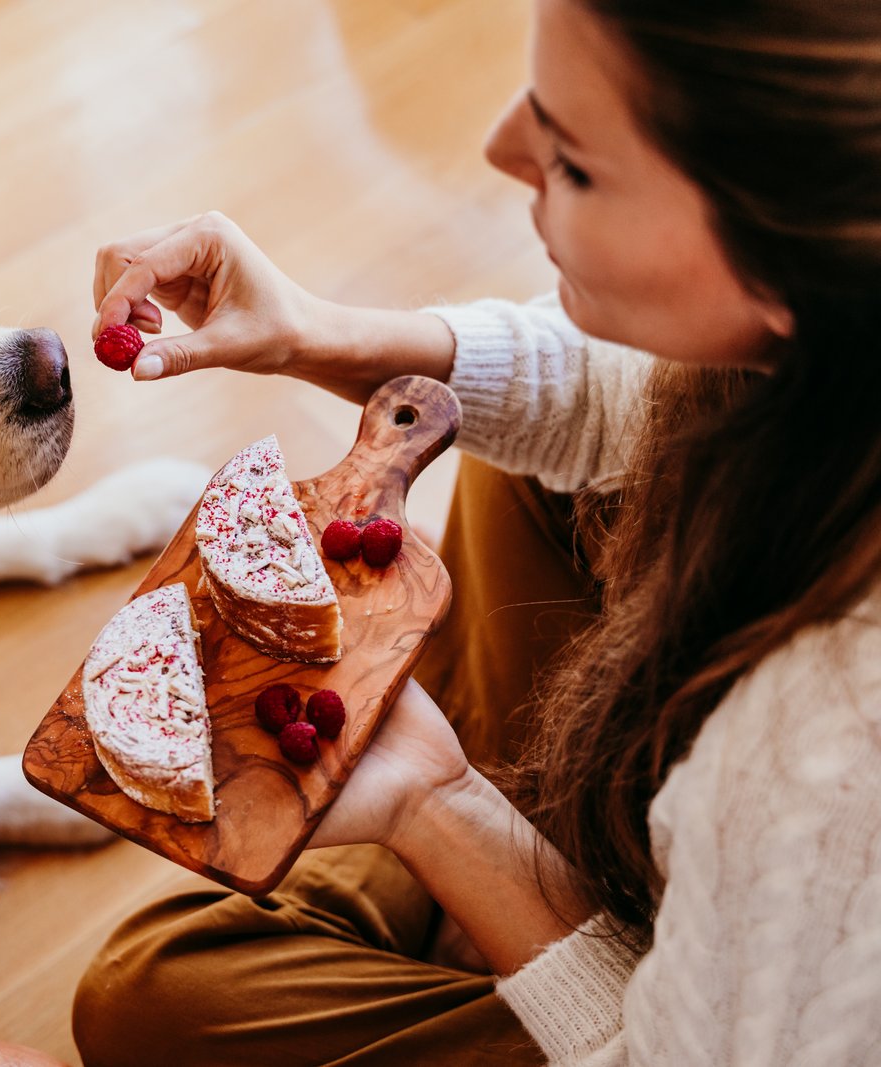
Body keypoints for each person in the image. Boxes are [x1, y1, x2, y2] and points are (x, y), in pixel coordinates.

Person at [70, 0, 881, 1063]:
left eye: (575, 162)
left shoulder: (822, 761)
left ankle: (494, 859)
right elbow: (633, 394)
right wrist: (311, 330)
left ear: (785, 266)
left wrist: (438, 806)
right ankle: (524, 860)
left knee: (151, 993)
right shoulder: (838, 318)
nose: (500, 148)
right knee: (526, 474)